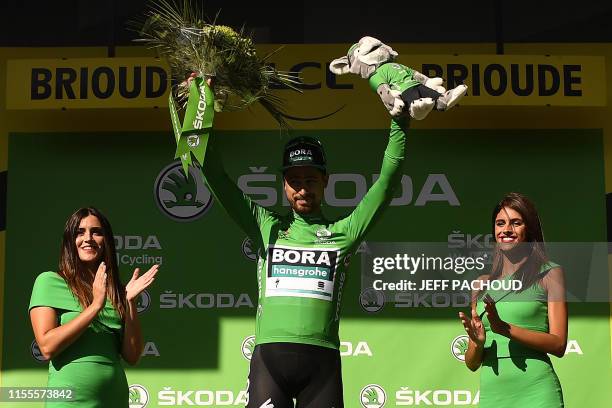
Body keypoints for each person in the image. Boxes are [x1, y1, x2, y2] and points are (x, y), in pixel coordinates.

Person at [200, 79, 408, 408]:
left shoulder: (345, 232)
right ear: (283, 185)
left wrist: (400, 121)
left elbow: (387, 182)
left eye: (310, 180)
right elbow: (214, 174)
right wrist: (201, 107)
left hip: (321, 363)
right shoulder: (264, 225)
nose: (302, 189)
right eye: (294, 181)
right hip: (270, 358)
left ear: (325, 181)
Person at [29, 207, 159, 407]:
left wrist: (129, 302)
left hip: (114, 399)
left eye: (96, 232)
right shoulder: (49, 282)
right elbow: (46, 347)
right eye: (80, 232)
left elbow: (132, 356)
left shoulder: (115, 292)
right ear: (69, 241)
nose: (88, 238)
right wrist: (95, 306)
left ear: (106, 241)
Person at [458, 192, 567, 408]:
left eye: (515, 223)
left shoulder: (550, 274)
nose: (506, 230)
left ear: (529, 230)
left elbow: (559, 344)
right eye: (500, 223)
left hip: (537, 393)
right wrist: (477, 343)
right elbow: (471, 363)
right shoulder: (480, 284)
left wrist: (505, 329)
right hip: (493, 396)